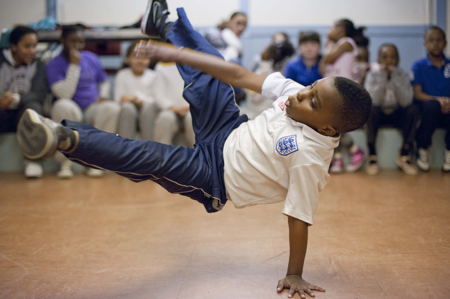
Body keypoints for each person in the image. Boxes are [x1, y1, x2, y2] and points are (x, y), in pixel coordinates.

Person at [17, 2, 372, 297]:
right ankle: (167, 28)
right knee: (210, 78)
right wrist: (171, 53)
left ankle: (63, 137)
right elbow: (234, 73)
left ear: (326, 127)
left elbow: (299, 217)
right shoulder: (293, 90)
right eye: (309, 87)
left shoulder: (311, 157)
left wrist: (294, 273)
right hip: (228, 128)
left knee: (148, 157)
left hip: (213, 176)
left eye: (312, 101)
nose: (299, 94)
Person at [46, 25, 120, 178]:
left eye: (80, 42)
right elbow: (65, 94)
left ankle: (97, 162)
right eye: (72, 41)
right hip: (71, 106)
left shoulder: (91, 58)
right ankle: (65, 163)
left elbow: (104, 81)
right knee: (61, 105)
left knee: (112, 108)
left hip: (92, 106)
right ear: (62, 41)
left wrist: (104, 95)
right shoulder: (54, 64)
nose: (77, 46)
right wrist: (74, 65)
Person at [0, 25, 49, 178]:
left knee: (33, 108)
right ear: (14, 47)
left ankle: (32, 160)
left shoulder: (39, 65)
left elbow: (39, 93)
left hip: (21, 113)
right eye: (27, 46)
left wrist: (15, 98)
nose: (32, 51)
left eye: (34, 46)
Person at [364, 43, 419, 175]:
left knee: (413, 110)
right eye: (384, 57)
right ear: (378, 59)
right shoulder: (372, 74)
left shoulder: (403, 74)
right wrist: (383, 78)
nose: (389, 60)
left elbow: (405, 101)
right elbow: (373, 100)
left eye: (392, 57)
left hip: (397, 112)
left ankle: (404, 155)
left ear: (397, 59)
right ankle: (372, 157)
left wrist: (394, 78)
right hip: (379, 113)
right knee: (370, 110)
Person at [321, 18, 367, 173]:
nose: (329, 31)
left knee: (334, 125)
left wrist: (328, 48)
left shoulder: (347, 42)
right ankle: (341, 156)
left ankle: (354, 150)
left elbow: (328, 59)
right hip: (335, 88)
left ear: (340, 30)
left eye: (331, 28)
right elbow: (322, 68)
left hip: (345, 90)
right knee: (333, 126)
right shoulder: (334, 46)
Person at [411, 25, 450, 173]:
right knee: (431, 106)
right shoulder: (419, 66)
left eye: (439, 40)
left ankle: (449, 154)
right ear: (425, 44)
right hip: (429, 109)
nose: (435, 44)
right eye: (431, 40)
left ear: (445, 43)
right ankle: (423, 150)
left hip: (448, 109)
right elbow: (417, 93)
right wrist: (439, 100)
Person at [244, 32, 295, 119]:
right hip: (258, 104)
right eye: (276, 42)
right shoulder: (264, 62)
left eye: (281, 42)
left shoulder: (288, 64)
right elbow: (255, 96)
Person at [115, 41, 159, 140]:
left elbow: (156, 99)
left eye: (144, 57)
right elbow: (119, 98)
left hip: (148, 109)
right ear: (128, 58)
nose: (140, 60)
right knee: (127, 108)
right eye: (136, 56)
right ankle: (125, 147)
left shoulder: (154, 76)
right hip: (128, 109)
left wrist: (138, 100)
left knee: (148, 108)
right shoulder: (122, 75)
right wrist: (130, 100)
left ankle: (149, 146)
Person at [152, 62, 195, 146]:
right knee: (165, 118)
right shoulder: (161, 66)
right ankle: (161, 154)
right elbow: (158, 95)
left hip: (191, 109)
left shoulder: (197, 66)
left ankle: (197, 153)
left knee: (192, 118)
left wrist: (191, 107)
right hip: (169, 109)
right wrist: (174, 108)